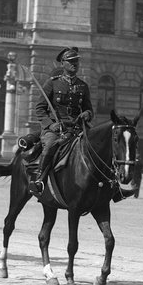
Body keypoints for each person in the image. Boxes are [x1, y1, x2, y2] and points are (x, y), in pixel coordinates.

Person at [30, 47, 93, 194]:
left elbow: (89, 109)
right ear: (62, 64)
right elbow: (40, 108)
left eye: (76, 61)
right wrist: (50, 124)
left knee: (99, 144)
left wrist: (87, 114)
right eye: (71, 61)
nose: (75, 64)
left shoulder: (83, 86)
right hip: (56, 129)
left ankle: (112, 185)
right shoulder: (52, 83)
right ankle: (40, 180)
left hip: (77, 128)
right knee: (51, 144)